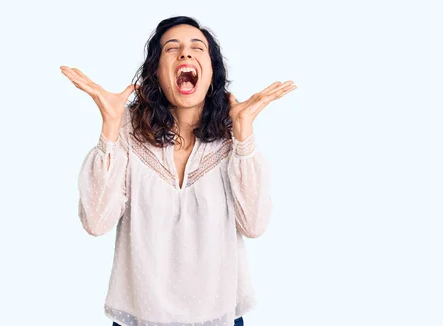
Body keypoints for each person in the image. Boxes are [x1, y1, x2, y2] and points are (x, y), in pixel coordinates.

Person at [60, 16, 296, 326]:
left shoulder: (233, 137)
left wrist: (243, 135)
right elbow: (96, 221)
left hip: (220, 317)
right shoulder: (128, 131)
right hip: (138, 317)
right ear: (157, 73)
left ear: (211, 73)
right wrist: (110, 128)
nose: (185, 53)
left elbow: (253, 225)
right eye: (172, 49)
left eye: (197, 48)